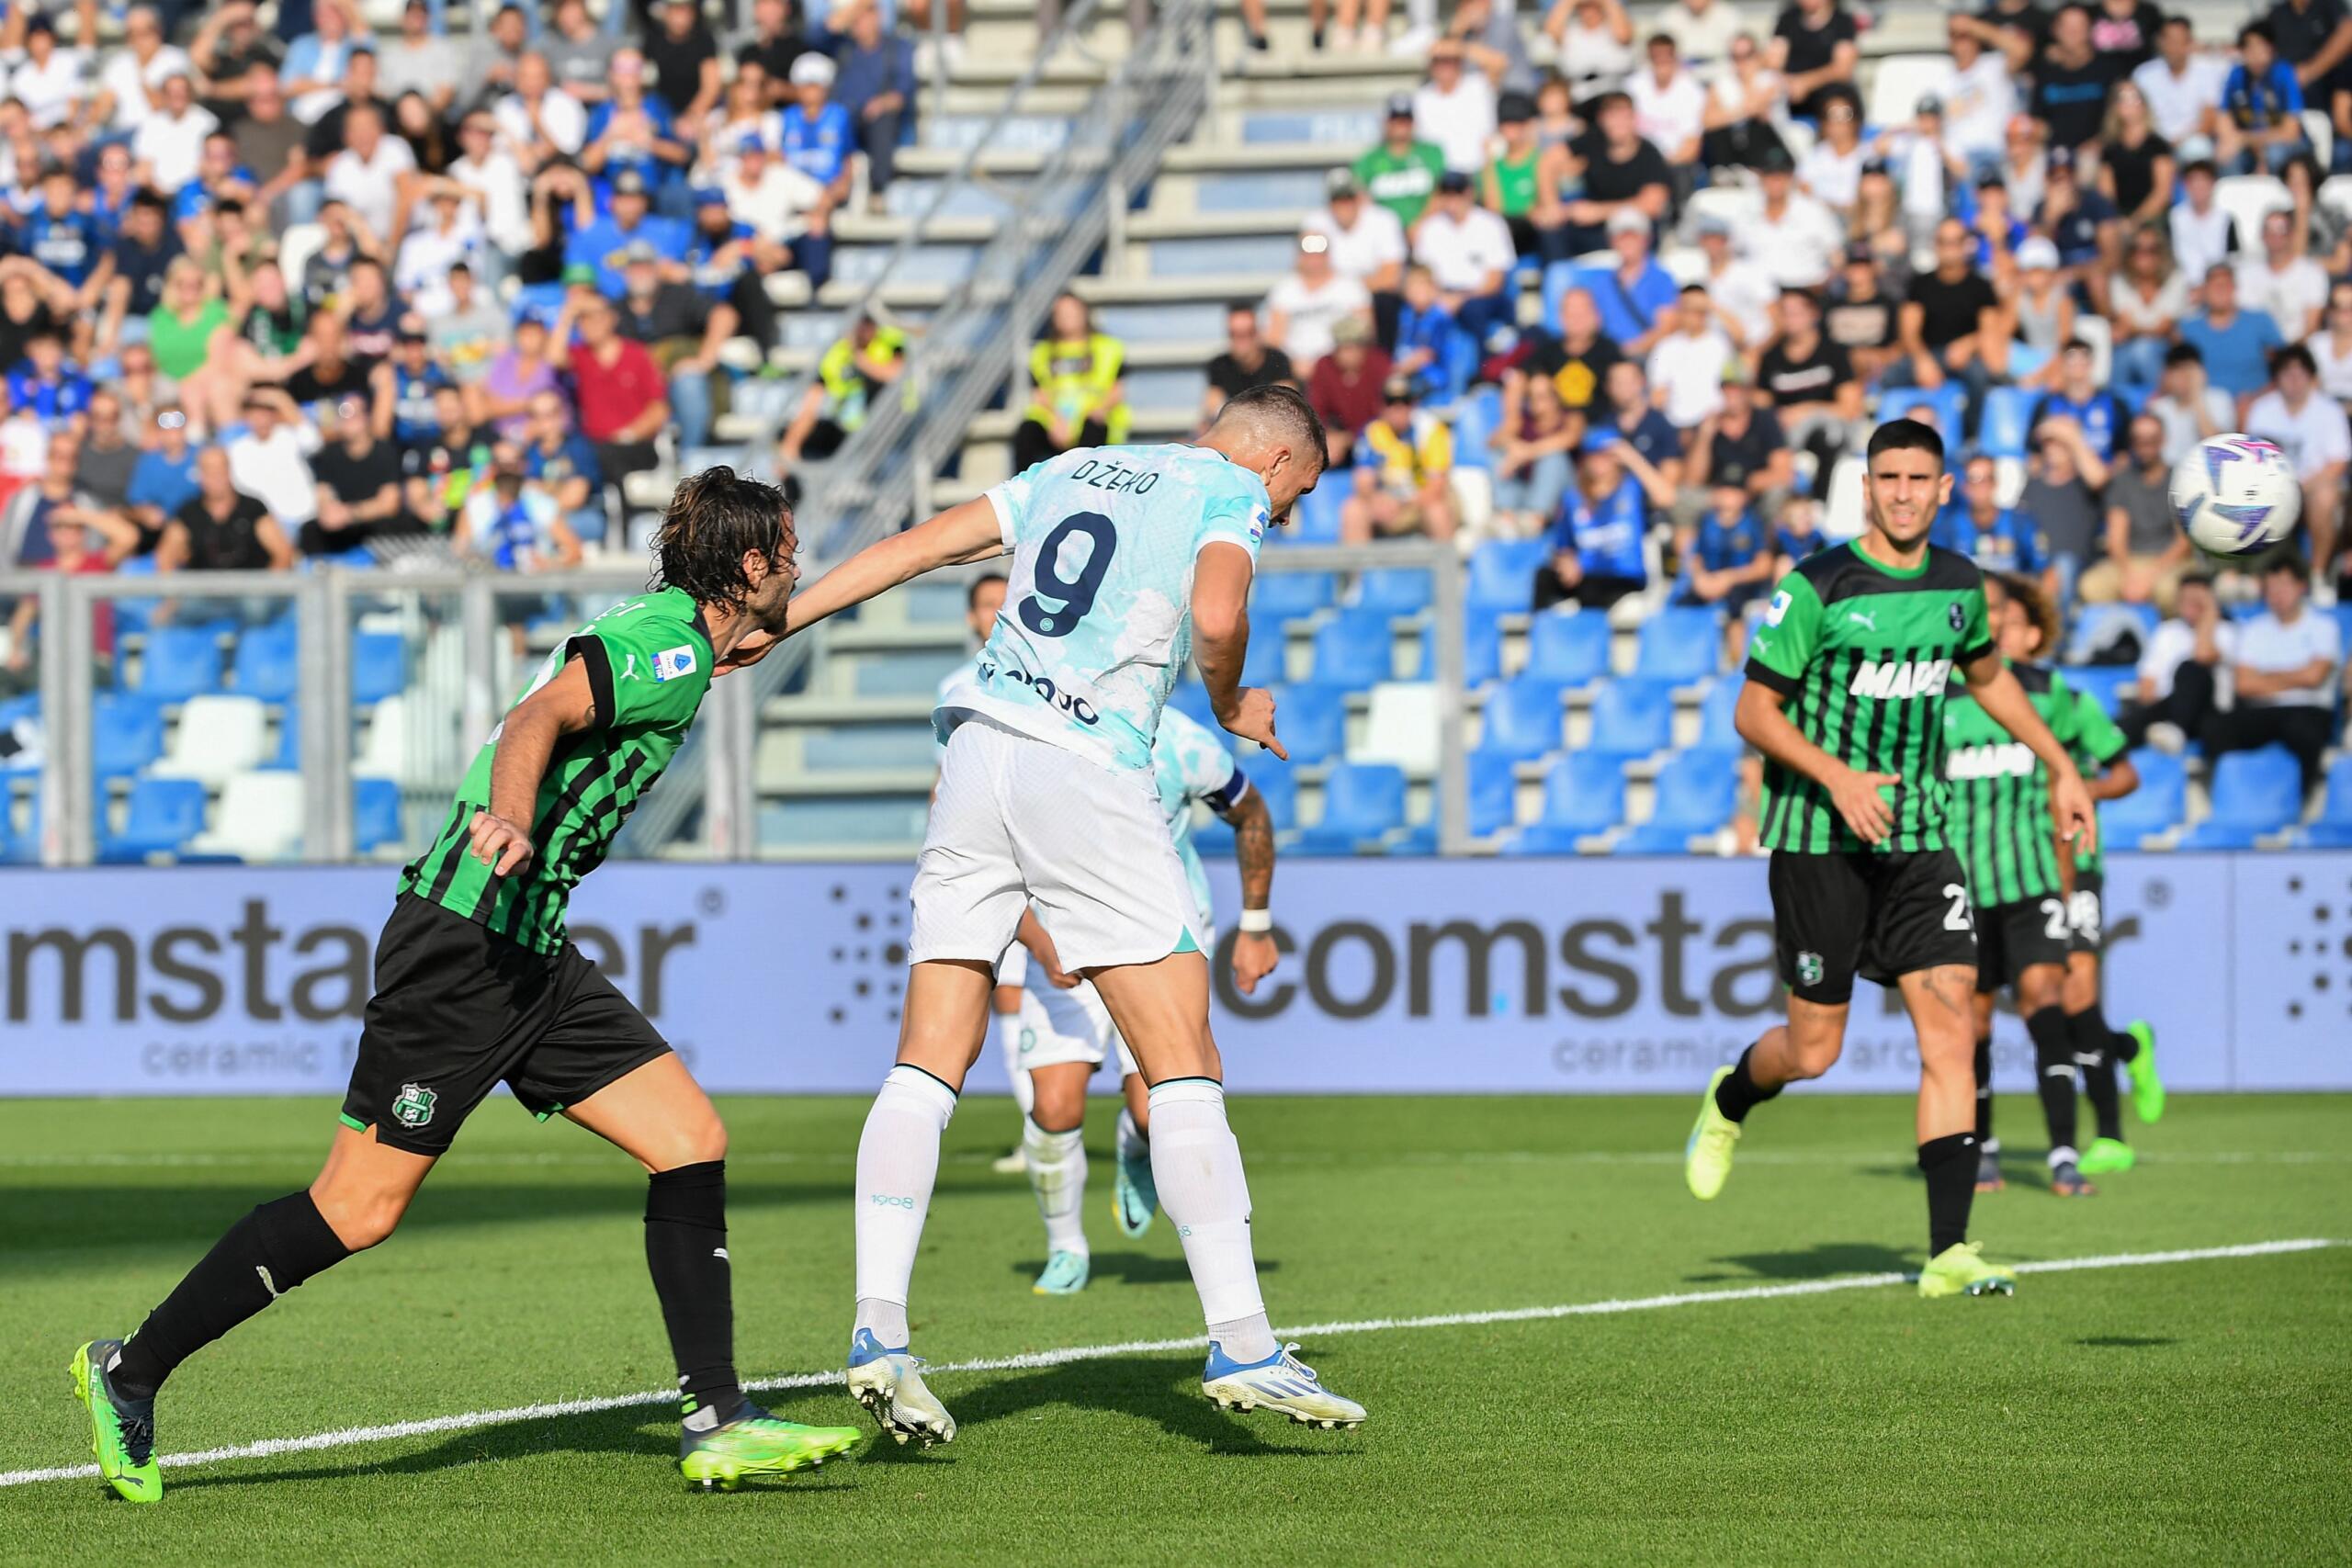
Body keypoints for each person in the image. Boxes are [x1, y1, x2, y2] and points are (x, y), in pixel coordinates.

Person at [72, 468, 863, 1505]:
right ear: (750, 565)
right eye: (788, 550)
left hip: (529, 950)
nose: (797, 566)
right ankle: (127, 1371)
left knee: (689, 1139)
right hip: (463, 942)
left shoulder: (700, 637)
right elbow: (541, 716)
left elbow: (828, 597)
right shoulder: (668, 647)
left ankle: (716, 1419)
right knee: (356, 1209)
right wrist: (516, 817)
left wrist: (973, 537)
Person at [723, 385, 1363, 1439]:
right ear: (1279, 461)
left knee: (926, 1059)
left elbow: (926, 544)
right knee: (1182, 1060)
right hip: (1087, 767)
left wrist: (788, 619)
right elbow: (1214, 614)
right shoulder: (1230, 492)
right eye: (1300, 491)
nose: (1288, 513)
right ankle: (1245, 1343)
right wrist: (1229, 700)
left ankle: (878, 1328)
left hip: (977, 748)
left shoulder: (1076, 466)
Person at [1685, 418, 2098, 1297]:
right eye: (1889, 478)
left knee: (1949, 1031)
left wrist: (2063, 766)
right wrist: (1837, 777)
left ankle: (1948, 1250)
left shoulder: (1960, 586)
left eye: (1921, 478)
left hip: (1919, 841)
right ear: (1867, 488)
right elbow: (1753, 714)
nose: (1905, 492)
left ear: (1945, 490)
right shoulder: (1820, 584)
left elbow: (1989, 680)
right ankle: (1731, 1098)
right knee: (1814, 1050)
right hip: (1818, 838)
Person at [995, 698, 1283, 1290]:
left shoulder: (1181, 741)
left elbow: (1251, 814)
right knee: (1054, 1108)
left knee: (1158, 1112)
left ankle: (1135, 1141)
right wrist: (1040, 941)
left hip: (1159, 939)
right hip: (1061, 934)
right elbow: (990, 862)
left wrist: (1255, 926)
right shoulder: (1030, 735)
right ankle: (1066, 1246)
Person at [1940, 571, 2096, 1196]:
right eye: (1988, 612)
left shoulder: (2047, 691)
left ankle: (2063, 1152)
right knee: (1972, 1022)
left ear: (2015, 619)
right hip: (1966, 886)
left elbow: (2072, 781)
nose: (1997, 621)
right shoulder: (1940, 696)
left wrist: (2066, 878)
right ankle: (1984, 1148)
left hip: (2032, 879)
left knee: (2044, 1004)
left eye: (2003, 611)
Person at [2053, 631, 2162, 1181]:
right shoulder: (1964, 703)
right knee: (2045, 1004)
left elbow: (2125, 773)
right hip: (2004, 868)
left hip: (2074, 860)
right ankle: (2126, 1045)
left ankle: (2111, 1136)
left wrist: (2073, 790)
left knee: (2076, 994)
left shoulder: (2071, 704)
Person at [2204, 554, 2343, 792]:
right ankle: (2225, 796)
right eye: (2271, 588)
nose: (2277, 594)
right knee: (2215, 726)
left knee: (2303, 730)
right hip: (2263, 711)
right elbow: (2244, 684)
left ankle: (2306, 803)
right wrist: (2295, 676)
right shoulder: (2253, 629)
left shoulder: (2324, 626)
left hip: (2308, 710)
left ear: (2301, 586)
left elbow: (2314, 677)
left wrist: (2266, 678)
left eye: (2284, 586)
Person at [2244, 343, 2350, 582]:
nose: (2293, 380)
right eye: (2286, 373)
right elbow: (2251, 457)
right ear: (2277, 377)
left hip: (2312, 486)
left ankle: (2317, 574)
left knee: (2325, 496)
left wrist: (2300, 487)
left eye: (2299, 373)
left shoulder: (2329, 411)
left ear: (2311, 377)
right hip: (2270, 487)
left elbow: (2338, 463)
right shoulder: (2262, 409)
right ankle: (2250, 576)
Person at [1533, 431, 1668, 609]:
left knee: (1592, 590)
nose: (1599, 461)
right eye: (1594, 455)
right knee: (1544, 577)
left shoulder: (1632, 489)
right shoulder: (1573, 498)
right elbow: (1562, 544)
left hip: (1623, 576)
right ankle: (1541, 631)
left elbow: (1666, 498)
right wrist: (1566, 561)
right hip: (1585, 575)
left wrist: (1633, 458)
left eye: (1606, 455)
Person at [2080, 413, 2197, 612]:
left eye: (2151, 440)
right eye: (2139, 440)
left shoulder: (2181, 479)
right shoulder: (2122, 481)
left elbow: (2183, 542)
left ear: (2163, 440)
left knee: (2168, 591)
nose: (2145, 447)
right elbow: (2116, 538)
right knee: (2091, 586)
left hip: (2170, 562)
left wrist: (2150, 575)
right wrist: (2129, 576)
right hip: (2129, 560)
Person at [2119, 570, 2234, 750]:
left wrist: (2210, 613)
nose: (2189, 605)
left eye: (2196, 600)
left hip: (2207, 712)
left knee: (2190, 669)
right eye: (2185, 599)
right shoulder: (2166, 631)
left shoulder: (2226, 631)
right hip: (2167, 707)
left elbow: (2203, 655)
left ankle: (2177, 728)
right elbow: (2147, 685)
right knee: (2127, 723)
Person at [1013, 294, 1130, 471]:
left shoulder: (1109, 347)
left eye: (1071, 312)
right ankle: (1023, 489)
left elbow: (1116, 391)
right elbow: (1039, 395)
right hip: (1055, 423)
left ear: (1084, 314)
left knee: (1094, 427)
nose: (1067, 318)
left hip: (1093, 421)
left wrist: (1094, 412)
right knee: (1028, 430)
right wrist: (1056, 421)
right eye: (1061, 313)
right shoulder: (1041, 352)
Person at [1342, 373, 1455, 544]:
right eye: (1390, 402)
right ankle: (1356, 569)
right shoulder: (1373, 433)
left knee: (1437, 510)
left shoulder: (1430, 430)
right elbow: (1363, 481)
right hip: (1386, 502)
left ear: (1414, 404)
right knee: (1353, 509)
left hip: (1420, 502)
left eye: (1405, 402)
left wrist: (1405, 503)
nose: (1398, 409)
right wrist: (1377, 500)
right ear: (1381, 406)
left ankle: (1447, 567)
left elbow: (1436, 485)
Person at [155, 445, 296, 574]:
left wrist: (267, 591)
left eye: (220, 469)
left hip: (251, 594)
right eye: (209, 470)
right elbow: (165, 556)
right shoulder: (188, 512)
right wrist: (174, 597)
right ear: (200, 475)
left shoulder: (253, 508)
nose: (216, 476)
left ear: (229, 471)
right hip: (203, 595)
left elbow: (283, 553)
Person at [1411, 170, 1517, 341]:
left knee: (1473, 310)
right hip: (1441, 294)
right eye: (1446, 193)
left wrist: (1459, 299)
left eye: (1457, 192)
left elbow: (1494, 281)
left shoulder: (1491, 224)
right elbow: (1423, 274)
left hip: (1480, 295)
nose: (1452, 199)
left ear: (1469, 193)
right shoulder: (1430, 227)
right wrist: (1439, 298)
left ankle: (1483, 365)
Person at [1264, 232, 1373, 374]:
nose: (1314, 260)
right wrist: (1291, 364)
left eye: (1319, 254)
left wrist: (1334, 360)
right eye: (1308, 254)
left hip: (1339, 367)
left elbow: (1365, 332)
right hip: (1296, 368)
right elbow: (1274, 339)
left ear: (1328, 255)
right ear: (1300, 256)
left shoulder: (1351, 287)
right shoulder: (1284, 290)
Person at [2218, 21, 2311, 174]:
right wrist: (2240, 143)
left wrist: (2246, 139)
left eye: (2260, 46)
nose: (2255, 54)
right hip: (2250, 147)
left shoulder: (2284, 74)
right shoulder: (2236, 75)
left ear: (2272, 48)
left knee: (2274, 154)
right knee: (2226, 154)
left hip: (2286, 146)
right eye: (2249, 48)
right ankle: (2237, 197)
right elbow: (2223, 120)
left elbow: (2290, 132)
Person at [1676, 479, 1775, 613]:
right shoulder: (1706, 520)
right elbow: (1696, 556)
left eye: (1734, 491)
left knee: (1735, 606)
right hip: (1709, 583)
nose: (1727, 495)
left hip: (1742, 587)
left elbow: (1764, 566)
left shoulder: (1754, 522)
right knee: (1681, 606)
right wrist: (1700, 579)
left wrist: (1729, 578)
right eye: (1724, 490)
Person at [1306, 316, 1393, 468]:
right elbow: (1316, 410)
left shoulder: (1380, 365)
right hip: (1336, 440)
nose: (1348, 354)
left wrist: (1350, 438)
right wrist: (1329, 436)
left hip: (1375, 437)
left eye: (1353, 347)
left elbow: (1387, 411)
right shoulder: (1324, 366)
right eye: (1343, 348)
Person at [2132, 12, 2229, 144]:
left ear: (2190, 43)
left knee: (2197, 147)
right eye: (2169, 41)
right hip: (2153, 143)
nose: (2173, 47)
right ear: (2160, 42)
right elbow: (2136, 116)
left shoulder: (2208, 71)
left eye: (2179, 41)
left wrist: (2181, 143)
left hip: (2193, 141)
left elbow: (2209, 119)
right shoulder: (2143, 74)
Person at [1352, 95, 1447, 230]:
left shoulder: (1431, 153)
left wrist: (1420, 226)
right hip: (1384, 234)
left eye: (1405, 120)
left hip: (1426, 229)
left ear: (1414, 123)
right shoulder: (1369, 160)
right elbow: (1362, 199)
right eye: (1396, 120)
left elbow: (1442, 194)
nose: (1401, 126)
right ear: (1386, 123)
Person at [2238, 208, 2331, 342]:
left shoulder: (2312, 273)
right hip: (2258, 353)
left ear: (2292, 234)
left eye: (2281, 230)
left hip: (2298, 353)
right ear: (2261, 235)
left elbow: (2311, 326)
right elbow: (2244, 321)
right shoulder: (2245, 274)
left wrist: (2288, 355)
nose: (2275, 236)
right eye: (2269, 230)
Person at [1768, 0, 1857, 122]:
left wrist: (1805, 83)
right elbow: (1773, 63)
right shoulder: (1787, 20)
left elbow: (1842, 70)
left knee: (1840, 109)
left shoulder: (1843, 21)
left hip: (1829, 92)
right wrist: (1790, 84)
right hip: (1791, 93)